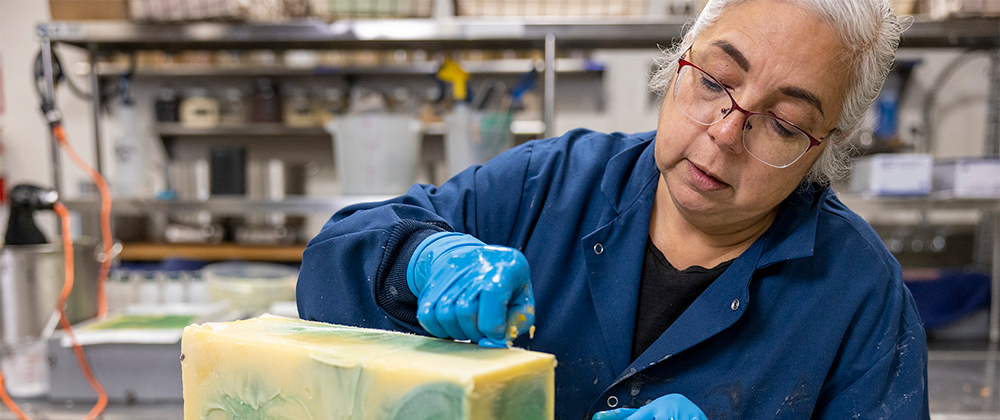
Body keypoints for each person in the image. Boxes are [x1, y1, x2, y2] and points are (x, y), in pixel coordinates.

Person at [297, 0, 930, 418]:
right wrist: (418, 259)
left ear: (825, 147)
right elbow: (329, 269)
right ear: (678, 60)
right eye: (713, 82)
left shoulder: (858, 296)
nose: (725, 132)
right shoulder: (550, 186)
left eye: (785, 123)